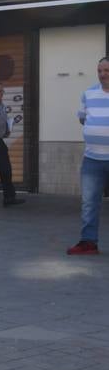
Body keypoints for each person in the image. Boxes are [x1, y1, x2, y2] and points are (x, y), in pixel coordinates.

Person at [69, 57, 109, 255]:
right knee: (89, 203)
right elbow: (83, 119)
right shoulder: (88, 94)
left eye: (106, 70)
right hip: (92, 159)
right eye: (100, 70)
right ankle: (88, 243)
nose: (102, 74)